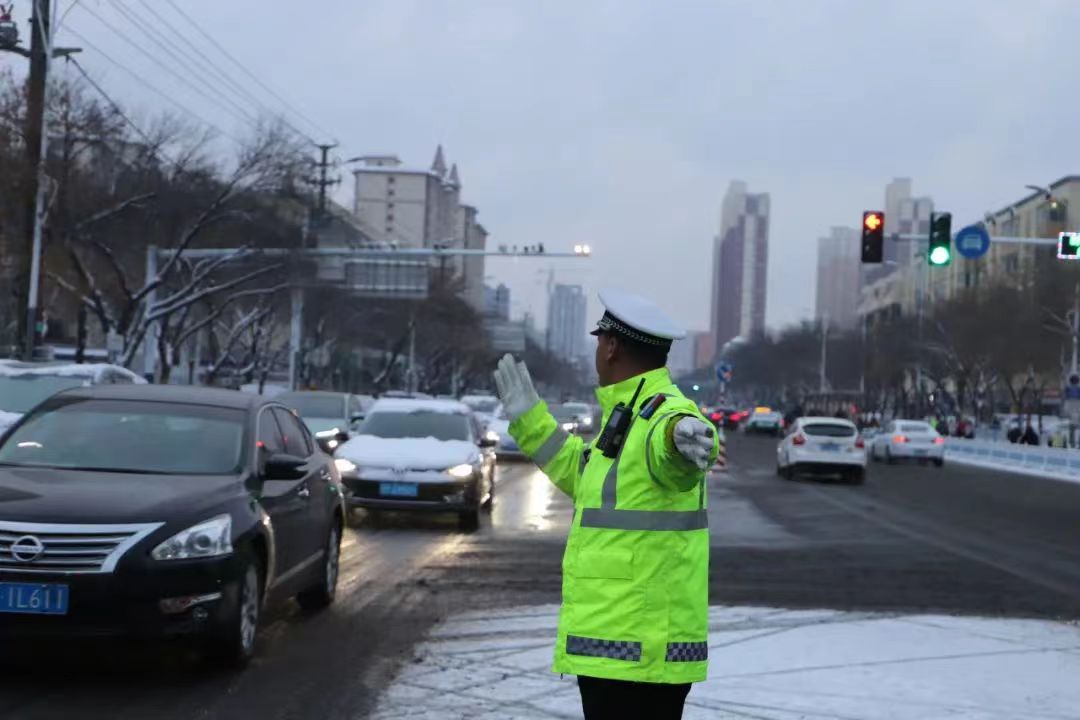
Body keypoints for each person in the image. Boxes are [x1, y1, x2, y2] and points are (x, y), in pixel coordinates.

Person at [493, 288, 722, 720]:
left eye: (600, 341)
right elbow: (579, 474)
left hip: (638, 651)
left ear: (612, 346)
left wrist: (683, 440)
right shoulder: (629, 414)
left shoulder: (663, 413)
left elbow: (676, 447)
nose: (598, 351)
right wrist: (529, 418)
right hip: (623, 646)